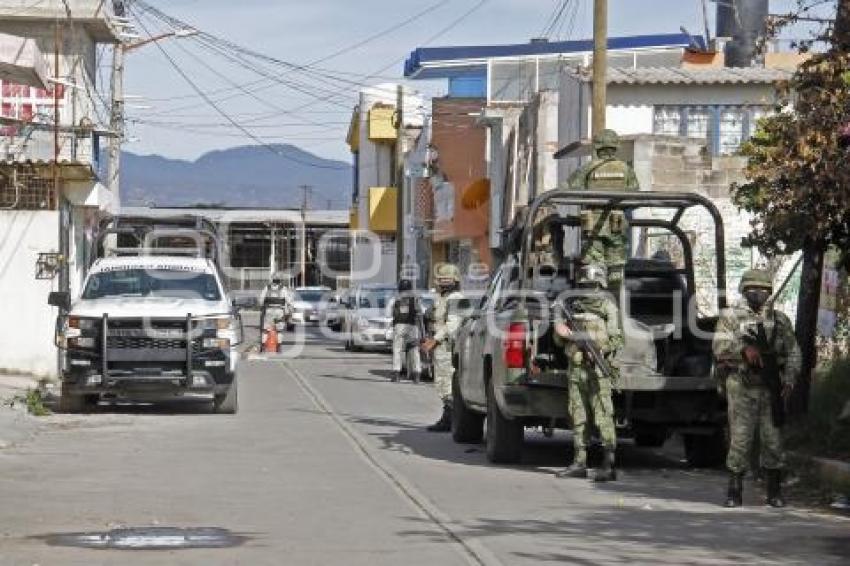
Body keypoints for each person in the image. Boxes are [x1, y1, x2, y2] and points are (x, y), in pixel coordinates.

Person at [713, 269, 801, 508]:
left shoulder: (780, 320)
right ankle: (734, 491)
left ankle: (774, 491)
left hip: (772, 387)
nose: (758, 294)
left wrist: (790, 380)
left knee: (773, 440)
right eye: (753, 289)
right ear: (744, 290)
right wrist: (742, 350)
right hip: (741, 386)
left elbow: (793, 352)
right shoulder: (731, 317)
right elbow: (719, 347)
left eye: (763, 290)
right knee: (740, 440)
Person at [553, 263, 622, 482]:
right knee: (578, 415)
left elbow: (617, 338)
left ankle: (608, 463)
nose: (589, 289)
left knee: (603, 415)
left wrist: (599, 350)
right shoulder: (572, 307)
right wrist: (567, 333)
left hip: (598, 369)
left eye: (593, 285)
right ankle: (579, 462)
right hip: (576, 368)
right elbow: (558, 337)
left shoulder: (608, 307)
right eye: (586, 285)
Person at [566, 129, 639, 291]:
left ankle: (594, 302)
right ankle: (615, 299)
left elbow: (569, 189)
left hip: (592, 225)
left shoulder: (588, 168)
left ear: (597, 147)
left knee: (592, 269)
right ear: (616, 147)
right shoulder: (626, 169)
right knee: (616, 268)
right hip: (617, 224)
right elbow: (635, 196)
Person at [421, 263, 464, 432]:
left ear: (454, 281)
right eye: (440, 279)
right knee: (441, 383)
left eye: (446, 279)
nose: (442, 283)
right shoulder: (442, 298)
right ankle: (448, 417)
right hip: (439, 346)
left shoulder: (456, 298)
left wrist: (435, 340)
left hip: (447, 347)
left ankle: (451, 420)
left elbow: (452, 324)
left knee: (447, 384)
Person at [391, 279, 422, 383]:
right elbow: (419, 312)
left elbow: (390, 313)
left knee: (397, 350)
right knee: (414, 350)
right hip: (412, 326)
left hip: (399, 326)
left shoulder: (396, 298)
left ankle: (396, 374)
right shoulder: (415, 298)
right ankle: (417, 374)